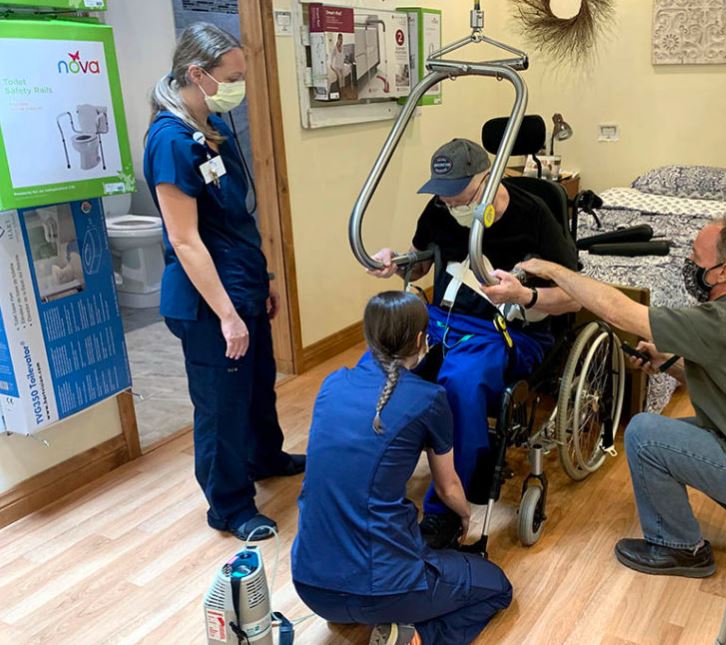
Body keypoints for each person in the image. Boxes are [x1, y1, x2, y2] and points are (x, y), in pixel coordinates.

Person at [517, 218, 726, 578]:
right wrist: (669, 365)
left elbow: (618, 311)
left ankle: (680, 548)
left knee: (644, 434)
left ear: (723, 272)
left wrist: (551, 269)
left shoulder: (718, 322)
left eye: (695, 257)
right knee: (692, 430)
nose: (688, 264)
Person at [370, 138, 580, 549]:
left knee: (459, 385)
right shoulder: (439, 208)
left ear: (488, 181)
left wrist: (525, 296)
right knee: (380, 357)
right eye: (444, 199)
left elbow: (574, 296)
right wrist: (395, 263)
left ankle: (445, 511)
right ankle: (374, 484)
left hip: (509, 329)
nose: (451, 206)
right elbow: (421, 261)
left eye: (460, 198)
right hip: (442, 320)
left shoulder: (533, 216)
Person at [144, 23, 304, 541]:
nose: (239, 86)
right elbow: (186, 240)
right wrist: (229, 314)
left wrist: (264, 280)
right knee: (221, 405)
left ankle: (265, 457)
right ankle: (229, 506)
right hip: (207, 302)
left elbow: (235, 220)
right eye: (231, 77)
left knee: (258, 385)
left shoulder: (208, 126)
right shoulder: (171, 141)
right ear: (197, 74)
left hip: (242, 283)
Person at [292, 292, 512, 645]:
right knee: (497, 587)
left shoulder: (331, 384)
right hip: (383, 587)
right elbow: (448, 488)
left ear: (368, 336)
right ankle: (415, 637)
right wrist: (467, 516)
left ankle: (372, 613)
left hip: (310, 584)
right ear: (421, 340)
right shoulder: (429, 398)